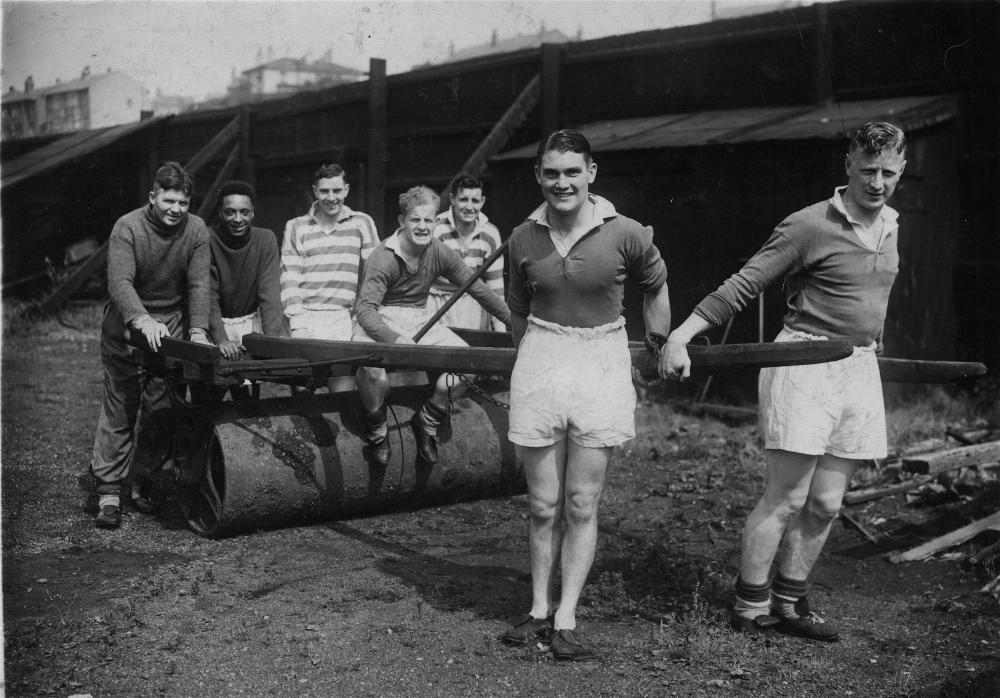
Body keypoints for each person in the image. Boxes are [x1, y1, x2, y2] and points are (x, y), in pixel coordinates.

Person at [661, 122, 908, 643]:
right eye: (867, 170)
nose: (878, 182)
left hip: (858, 368)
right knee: (788, 497)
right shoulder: (809, 225)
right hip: (804, 363)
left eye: (888, 171)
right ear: (847, 166)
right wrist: (680, 337)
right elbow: (743, 284)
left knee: (827, 503)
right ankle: (750, 604)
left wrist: (874, 338)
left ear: (902, 169)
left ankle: (791, 600)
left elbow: (871, 294)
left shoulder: (891, 224)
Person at [500, 130, 672, 661]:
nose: (562, 183)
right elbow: (517, 310)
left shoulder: (626, 233)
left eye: (572, 171)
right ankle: (536, 608)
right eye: (551, 173)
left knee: (580, 500)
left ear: (591, 173)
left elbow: (656, 287)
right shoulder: (522, 238)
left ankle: (567, 615)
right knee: (543, 501)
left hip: (601, 358)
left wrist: (658, 345)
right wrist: (536, 353)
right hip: (544, 359)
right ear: (539, 177)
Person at [89, 161, 212, 529]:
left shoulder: (197, 230)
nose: (176, 209)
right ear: (153, 197)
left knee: (162, 409)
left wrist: (199, 331)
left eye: (184, 203)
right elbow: (120, 283)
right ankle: (109, 493)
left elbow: (198, 285)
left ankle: (144, 480)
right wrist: (141, 319)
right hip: (128, 327)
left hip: (170, 329)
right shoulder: (127, 227)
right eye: (169, 200)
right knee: (121, 407)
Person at [353, 186, 510, 468]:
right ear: (402, 221)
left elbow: (479, 289)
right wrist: (393, 339)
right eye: (415, 220)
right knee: (371, 369)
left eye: (429, 220)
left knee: (466, 364)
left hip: (418, 316)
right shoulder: (383, 256)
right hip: (380, 319)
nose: (422, 226)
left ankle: (428, 418)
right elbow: (365, 311)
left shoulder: (439, 251)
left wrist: (517, 324)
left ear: (436, 223)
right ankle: (376, 428)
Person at [280, 163, 379, 391]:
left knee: (342, 389)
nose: (331, 197)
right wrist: (298, 324)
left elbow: (376, 273)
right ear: (315, 191)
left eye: (337, 191)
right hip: (307, 316)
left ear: (346, 190)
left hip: (342, 318)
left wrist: (362, 317)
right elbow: (289, 276)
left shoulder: (362, 222)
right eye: (324, 191)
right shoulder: (296, 227)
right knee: (303, 388)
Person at [208, 180, 287, 367]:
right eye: (230, 212)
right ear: (220, 212)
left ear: (252, 213)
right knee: (212, 387)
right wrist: (221, 339)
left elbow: (270, 295)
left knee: (248, 385)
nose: (237, 219)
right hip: (213, 325)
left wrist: (272, 342)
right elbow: (207, 295)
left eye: (244, 212)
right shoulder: (207, 238)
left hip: (249, 326)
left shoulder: (265, 239)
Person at [427, 174, 506, 331]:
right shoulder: (436, 228)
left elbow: (495, 288)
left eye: (475, 201)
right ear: (452, 199)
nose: (469, 207)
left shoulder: (490, 233)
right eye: (463, 199)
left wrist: (501, 332)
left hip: (474, 310)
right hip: (439, 306)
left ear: (482, 202)